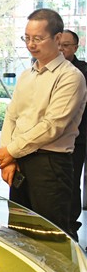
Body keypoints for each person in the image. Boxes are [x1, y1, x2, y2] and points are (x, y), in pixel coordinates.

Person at [0, 10, 87, 239]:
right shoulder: (26, 75)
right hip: (18, 161)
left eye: (37, 38)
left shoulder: (70, 76)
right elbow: (12, 115)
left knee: (50, 236)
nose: (31, 44)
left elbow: (52, 125)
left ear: (57, 38)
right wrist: (7, 157)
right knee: (19, 231)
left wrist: (11, 150)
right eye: (27, 38)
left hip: (50, 164)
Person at [60, 29, 87, 226]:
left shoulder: (82, 72)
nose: (61, 49)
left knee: (71, 181)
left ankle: (70, 224)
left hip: (77, 137)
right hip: (50, 142)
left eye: (66, 45)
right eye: (58, 44)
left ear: (76, 48)